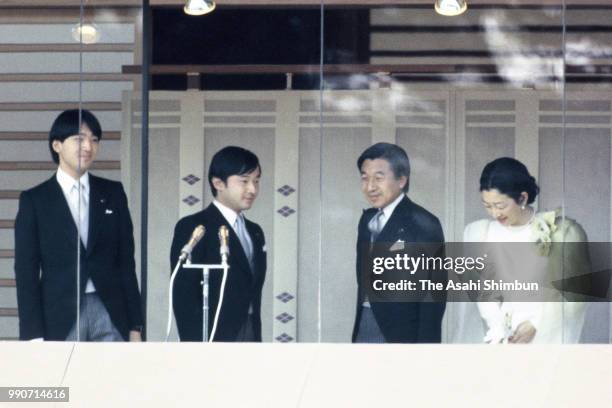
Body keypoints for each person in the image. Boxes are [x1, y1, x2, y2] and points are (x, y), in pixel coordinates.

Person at [14, 109, 143, 341]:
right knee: (64, 378)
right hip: (59, 314)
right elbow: (26, 272)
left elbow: (126, 262)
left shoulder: (113, 193)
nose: (88, 146)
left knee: (113, 377)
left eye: (94, 140)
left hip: (110, 309)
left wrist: (136, 325)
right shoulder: (35, 200)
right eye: (79, 139)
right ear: (57, 145)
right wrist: (33, 335)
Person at [462, 157, 589, 344]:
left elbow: (573, 294)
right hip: (502, 337)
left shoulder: (556, 231)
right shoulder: (481, 233)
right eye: (487, 206)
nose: (495, 213)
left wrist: (536, 324)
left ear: (522, 197)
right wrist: (497, 326)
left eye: (500, 206)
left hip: (545, 336)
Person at [352, 142, 446, 343]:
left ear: (401, 180)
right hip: (365, 323)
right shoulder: (366, 220)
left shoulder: (424, 222)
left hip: (403, 332)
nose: (370, 187)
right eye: (364, 178)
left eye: (379, 178)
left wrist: (426, 350)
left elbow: (434, 294)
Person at [171, 146, 266, 342]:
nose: (253, 189)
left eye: (256, 181)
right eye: (244, 181)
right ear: (218, 183)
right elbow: (183, 295)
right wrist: (195, 346)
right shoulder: (194, 226)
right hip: (211, 335)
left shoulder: (255, 231)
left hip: (250, 332)